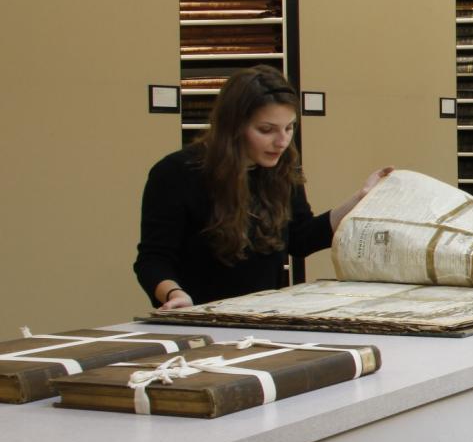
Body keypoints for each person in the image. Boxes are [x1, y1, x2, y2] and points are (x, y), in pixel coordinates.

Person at [135, 66, 390, 309]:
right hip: (203, 314)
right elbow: (153, 260)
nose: (282, 142)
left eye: (289, 128)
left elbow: (300, 238)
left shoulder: (281, 169)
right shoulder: (176, 173)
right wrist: (174, 293)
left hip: (261, 314)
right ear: (233, 126)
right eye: (266, 130)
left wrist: (360, 199)